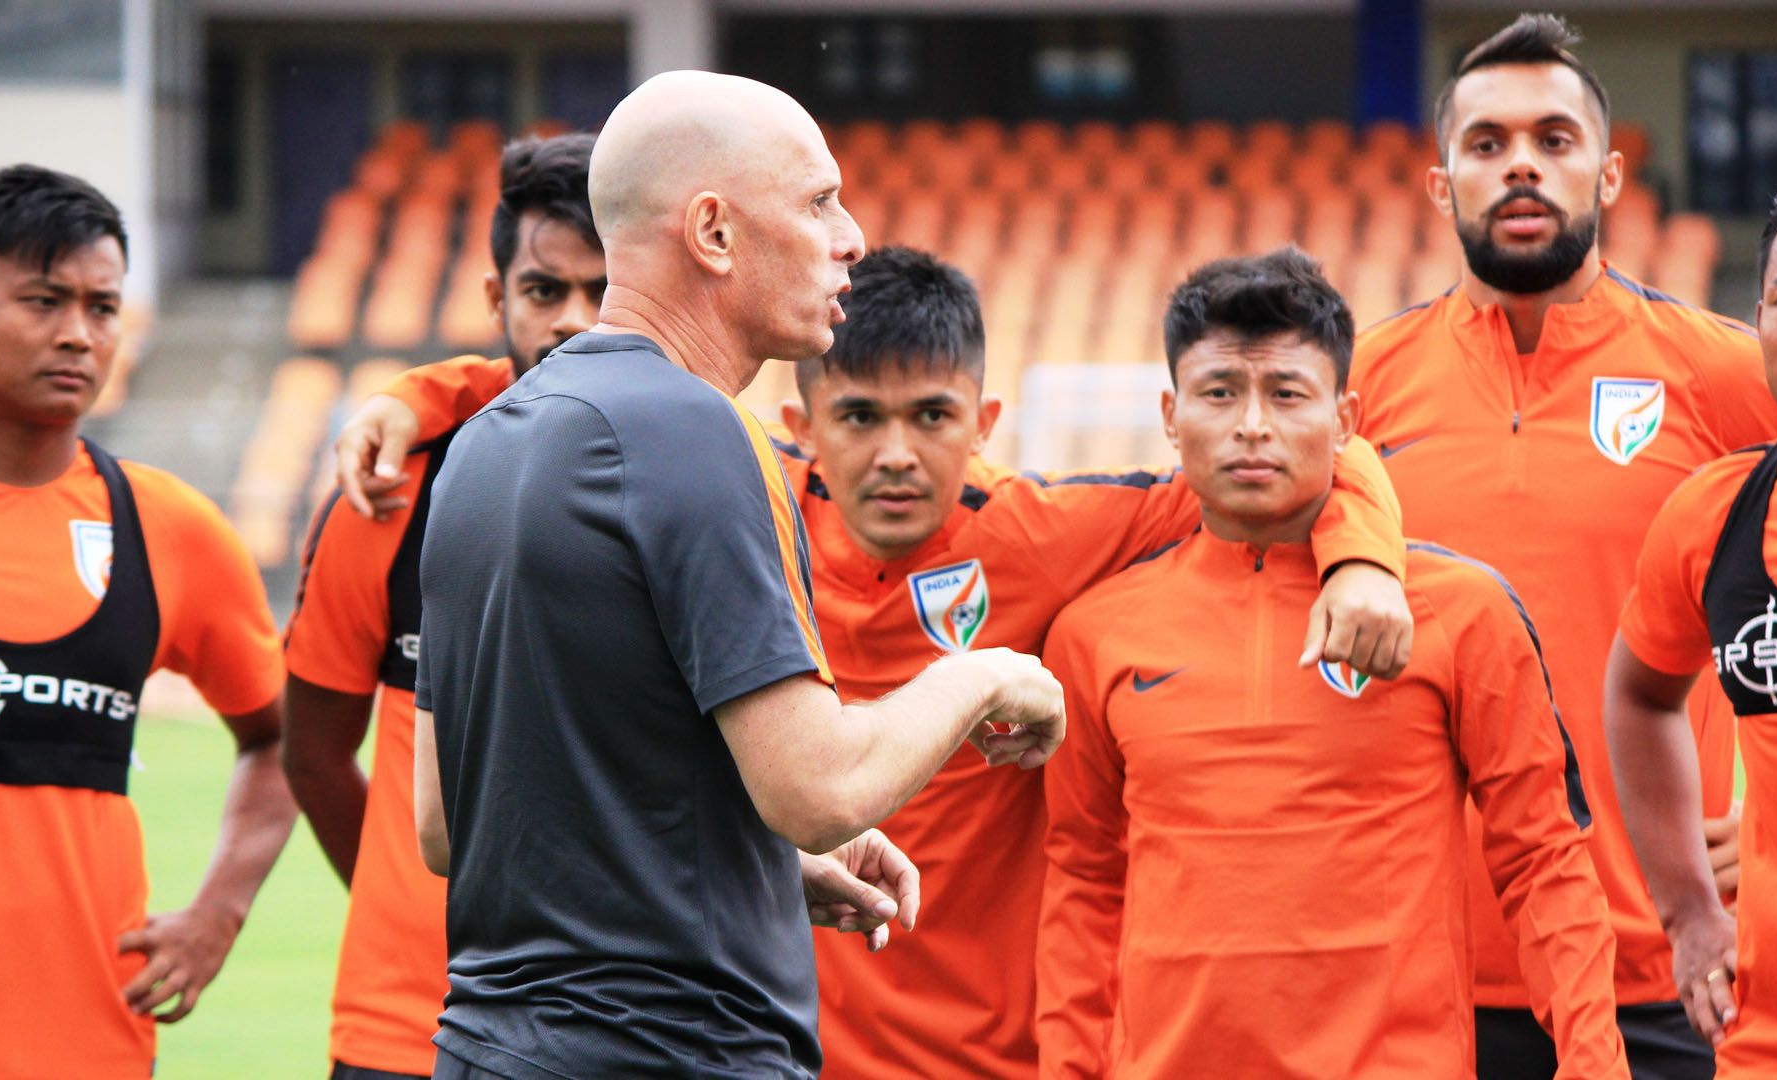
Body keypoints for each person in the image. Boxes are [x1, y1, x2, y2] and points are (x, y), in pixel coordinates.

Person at [342, 241, 1413, 1078]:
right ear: (803, 424)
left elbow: (1285, 456)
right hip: (781, 1041)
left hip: (993, 1056)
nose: (896, 453)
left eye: (931, 416)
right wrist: (420, 397)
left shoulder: (1043, 532)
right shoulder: (740, 505)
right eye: (859, 416)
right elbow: (564, 396)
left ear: (984, 421)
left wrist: (1363, 555)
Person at [409, 72, 1067, 1080]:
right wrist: (988, 675)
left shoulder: (481, 446)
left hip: (487, 1049)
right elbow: (821, 787)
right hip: (674, 1052)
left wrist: (751, 868)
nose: (851, 237)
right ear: (713, 233)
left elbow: (449, 824)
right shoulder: (698, 431)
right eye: (818, 201)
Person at [1039, 248, 1626, 1079]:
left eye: (1286, 394)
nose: (1252, 424)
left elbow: (1544, 861)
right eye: (1219, 392)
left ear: (1346, 419)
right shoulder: (1093, 633)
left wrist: (1594, 1064)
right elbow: (1083, 885)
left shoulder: (1463, 613)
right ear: (1170, 415)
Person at [1350, 15, 1777, 1076]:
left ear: (1609, 174)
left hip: (1669, 973)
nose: (1522, 167)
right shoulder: (1357, 390)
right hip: (1424, 980)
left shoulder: (1724, 376)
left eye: (1554, 140)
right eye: (1488, 143)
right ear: (1441, 185)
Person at [0, 166, 295, 1077]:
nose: (78, 334)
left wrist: (218, 915)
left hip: (91, 1044)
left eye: (104, 307)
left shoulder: (171, 529)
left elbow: (284, 739)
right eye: (44, 301)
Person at [282, 134, 608, 1080]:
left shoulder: (706, 486)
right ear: (497, 298)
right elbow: (313, 751)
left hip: (616, 1030)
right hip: (406, 1031)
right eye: (545, 290)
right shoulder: (388, 491)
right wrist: (410, 897)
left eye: (604, 291)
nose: (574, 321)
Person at [1607, 157, 1777, 1075]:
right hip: (1772, 1046)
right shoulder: (1715, 517)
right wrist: (1690, 911)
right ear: (1760, 321)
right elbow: (1639, 694)